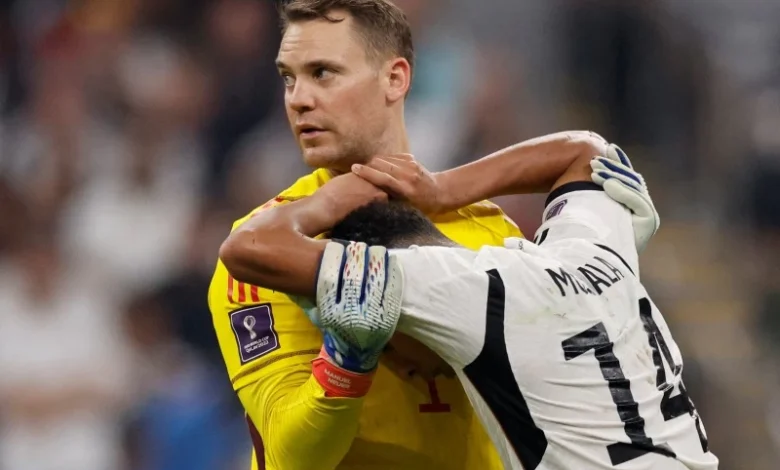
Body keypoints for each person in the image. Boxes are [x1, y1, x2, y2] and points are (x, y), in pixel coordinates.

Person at [210, 0, 610, 468]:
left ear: (395, 79)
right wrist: (346, 361)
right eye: (288, 78)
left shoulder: (491, 232)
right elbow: (291, 454)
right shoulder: (265, 256)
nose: (298, 98)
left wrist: (439, 188)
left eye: (322, 73)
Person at [224, 142, 719, 469]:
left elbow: (251, 247)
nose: (406, 371)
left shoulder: (460, 289)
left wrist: (340, 193)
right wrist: (441, 189)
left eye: (391, 340)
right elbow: (588, 153)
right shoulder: (592, 249)